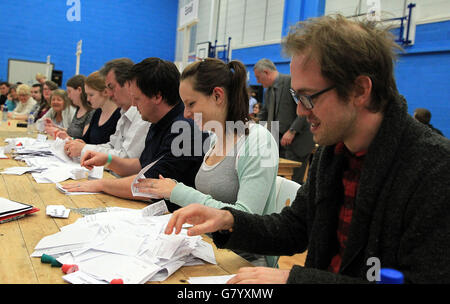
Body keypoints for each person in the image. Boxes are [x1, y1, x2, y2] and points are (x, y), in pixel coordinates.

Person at [164, 15, 450, 284]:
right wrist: (230, 220)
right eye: (296, 96)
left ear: (360, 91)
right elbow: (295, 227)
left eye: (308, 97)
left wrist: (295, 279)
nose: (300, 110)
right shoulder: (334, 151)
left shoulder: (434, 169)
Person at [134, 58, 279, 266]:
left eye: (191, 104)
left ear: (217, 95)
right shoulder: (214, 138)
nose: (186, 114)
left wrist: (177, 192)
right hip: (209, 248)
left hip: (243, 262)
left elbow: (247, 220)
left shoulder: (259, 141)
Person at [62, 57, 208, 212]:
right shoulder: (157, 120)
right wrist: (108, 160)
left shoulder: (185, 129)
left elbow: (150, 184)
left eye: (137, 98)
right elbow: (142, 165)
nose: (133, 104)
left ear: (157, 96)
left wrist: (100, 184)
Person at [254, 58, 314, 182]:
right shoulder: (269, 91)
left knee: (293, 183)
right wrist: (251, 126)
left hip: (297, 141)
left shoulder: (290, 82)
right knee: (277, 180)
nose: (257, 81)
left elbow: (305, 108)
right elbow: (264, 113)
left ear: (266, 72)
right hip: (278, 143)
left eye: (258, 77)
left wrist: (292, 131)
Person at [78, 58, 150, 159]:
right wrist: (85, 147)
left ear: (128, 84)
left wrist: (84, 149)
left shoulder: (142, 115)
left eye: (111, 87)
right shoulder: (124, 112)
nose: (109, 94)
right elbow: (112, 146)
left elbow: (126, 158)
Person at [63, 71, 121, 158]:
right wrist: (71, 141)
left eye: (91, 95)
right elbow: (86, 141)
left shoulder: (119, 116)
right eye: (86, 95)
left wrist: (83, 147)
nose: (88, 99)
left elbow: (115, 151)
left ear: (105, 92)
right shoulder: (97, 112)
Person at [52, 75, 94, 140]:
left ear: (79, 90)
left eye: (69, 91)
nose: (68, 96)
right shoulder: (78, 108)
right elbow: (72, 132)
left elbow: (84, 141)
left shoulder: (91, 112)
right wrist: (55, 127)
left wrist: (67, 138)